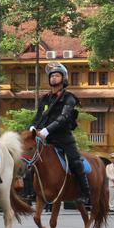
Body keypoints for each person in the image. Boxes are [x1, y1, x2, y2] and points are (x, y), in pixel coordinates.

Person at [28, 61, 91, 205]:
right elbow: (38, 116)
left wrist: (47, 129)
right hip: (46, 137)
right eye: (52, 76)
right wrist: (32, 127)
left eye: (57, 75)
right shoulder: (45, 98)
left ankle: (85, 193)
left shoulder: (69, 97)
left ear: (63, 78)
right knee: (32, 158)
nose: (53, 78)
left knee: (75, 161)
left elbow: (63, 117)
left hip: (63, 136)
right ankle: (34, 190)